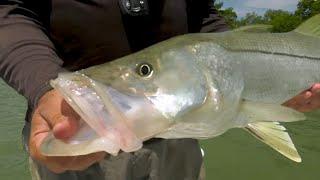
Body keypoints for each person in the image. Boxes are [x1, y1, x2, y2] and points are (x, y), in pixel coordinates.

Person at [0, 0, 319, 179]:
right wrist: (44, 83)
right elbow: (9, 11)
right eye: (144, 70)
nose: (143, 72)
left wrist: (265, 78)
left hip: (178, 147)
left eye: (144, 71)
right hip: (70, 129)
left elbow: (202, 15)